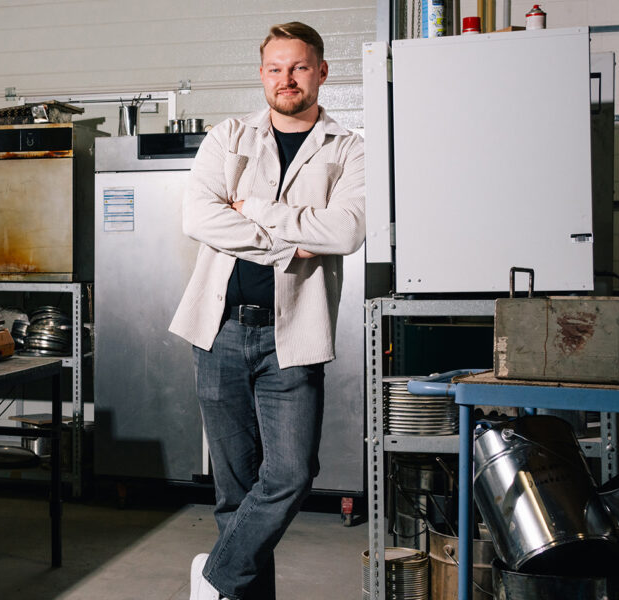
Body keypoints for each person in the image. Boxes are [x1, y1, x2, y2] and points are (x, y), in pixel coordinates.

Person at [168, 21, 366, 600]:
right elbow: (199, 216)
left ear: (321, 72)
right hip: (220, 331)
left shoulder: (349, 147)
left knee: (290, 476)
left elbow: (346, 229)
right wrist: (289, 243)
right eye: (275, 68)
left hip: (293, 336)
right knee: (234, 492)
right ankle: (235, 593)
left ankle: (214, 578)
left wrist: (256, 208)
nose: (287, 79)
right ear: (261, 75)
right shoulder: (228, 136)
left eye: (299, 67)